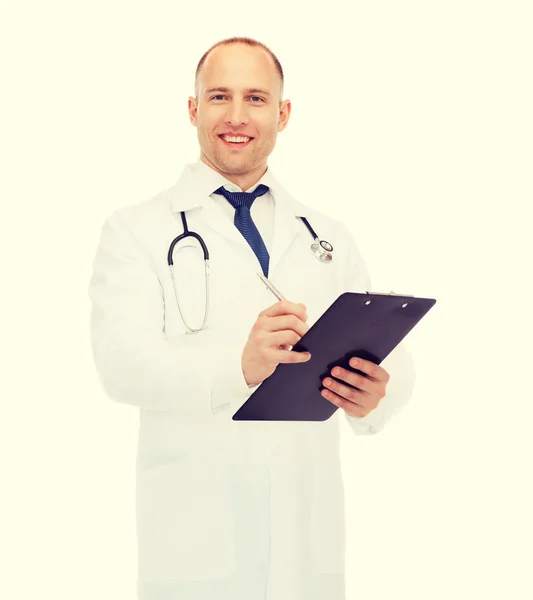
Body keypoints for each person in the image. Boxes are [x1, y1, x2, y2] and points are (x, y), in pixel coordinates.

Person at [89, 36, 416, 600]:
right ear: (193, 109)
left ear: (283, 114)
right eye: (219, 96)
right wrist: (238, 368)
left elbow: (394, 355)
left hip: (306, 552)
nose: (236, 116)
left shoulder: (326, 237)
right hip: (195, 541)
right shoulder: (135, 230)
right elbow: (121, 365)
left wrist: (378, 393)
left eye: (256, 98)